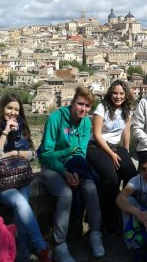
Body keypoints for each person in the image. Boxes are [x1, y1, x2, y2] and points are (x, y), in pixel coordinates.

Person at [39, 86, 104, 261]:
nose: (83, 109)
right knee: (66, 194)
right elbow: (46, 153)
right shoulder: (55, 118)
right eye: (80, 104)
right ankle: (60, 245)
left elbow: (80, 152)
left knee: (90, 187)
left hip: (74, 165)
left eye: (87, 105)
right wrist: (64, 171)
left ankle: (95, 234)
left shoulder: (86, 123)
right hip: (52, 166)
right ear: (72, 103)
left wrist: (74, 171)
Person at [0, 93, 51, 262]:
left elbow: (32, 154)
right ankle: (40, 246)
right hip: (1, 181)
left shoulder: (22, 127)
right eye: (10, 108)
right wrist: (6, 132)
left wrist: (14, 152)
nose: (13, 112)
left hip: (21, 178)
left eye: (16, 109)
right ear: (2, 108)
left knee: (21, 212)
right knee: (21, 204)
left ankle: (22, 255)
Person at [87, 80, 137, 235]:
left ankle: (124, 208)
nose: (118, 96)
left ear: (125, 95)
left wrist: (126, 151)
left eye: (121, 93)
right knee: (111, 178)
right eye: (115, 93)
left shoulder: (126, 109)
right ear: (110, 93)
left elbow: (126, 132)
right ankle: (108, 217)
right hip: (96, 146)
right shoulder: (102, 108)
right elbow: (96, 134)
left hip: (115, 146)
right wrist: (111, 154)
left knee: (130, 173)